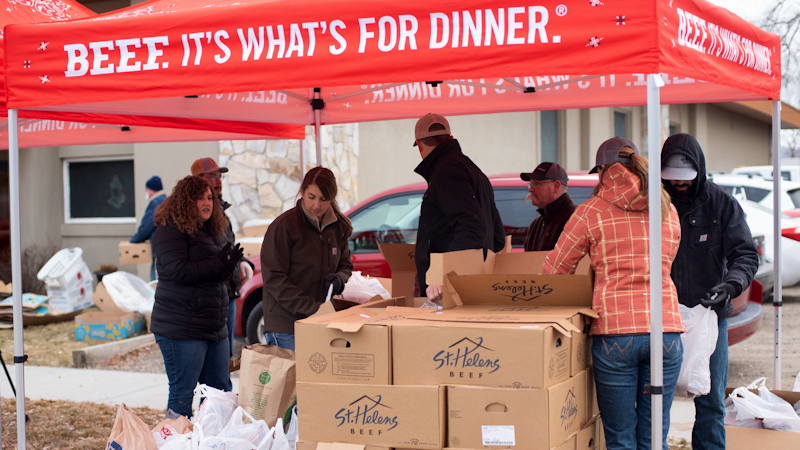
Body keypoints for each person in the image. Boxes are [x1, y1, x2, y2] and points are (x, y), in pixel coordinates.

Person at [543, 137, 685, 450]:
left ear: (603, 170)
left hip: (615, 332)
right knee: (655, 436)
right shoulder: (666, 208)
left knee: (621, 438)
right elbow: (669, 259)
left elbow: (555, 271)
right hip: (666, 330)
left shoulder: (591, 211)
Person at [661, 133, 758, 450]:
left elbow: (745, 254)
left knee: (712, 400)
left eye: (685, 179)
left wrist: (729, 286)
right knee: (656, 401)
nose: (679, 185)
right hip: (661, 318)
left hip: (709, 317)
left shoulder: (721, 203)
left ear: (699, 170)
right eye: (672, 179)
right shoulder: (655, 205)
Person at [151, 175, 243, 418]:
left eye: (210, 198)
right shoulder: (169, 228)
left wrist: (232, 266)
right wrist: (219, 264)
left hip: (213, 324)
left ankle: (213, 441)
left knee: (219, 393)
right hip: (181, 327)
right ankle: (176, 441)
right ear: (185, 201)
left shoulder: (214, 229)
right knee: (183, 394)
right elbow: (175, 270)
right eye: (200, 198)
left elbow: (219, 268)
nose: (207, 203)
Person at [412, 113, 505, 300]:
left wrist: (443, 274)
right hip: (469, 285)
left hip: (447, 291)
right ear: (451, 138)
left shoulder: (446, 172)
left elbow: (470, 225)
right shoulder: (473, 170)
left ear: (420, 145)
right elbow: (497, 237)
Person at [260, 167, 353, 351]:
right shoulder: (283, 226)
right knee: (292, 379)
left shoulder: (338, 227)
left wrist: (339, 279)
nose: (317, 205)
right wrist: (312, 308)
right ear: (302, 192)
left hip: (321, 321)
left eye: (324, 199)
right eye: (311, 197)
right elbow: (274, 278)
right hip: (286, 325)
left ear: (332, 198)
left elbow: (346, 266)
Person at [190, 157, 252, 363]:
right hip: (208, 299)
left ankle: (222, 395)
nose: (218, 181)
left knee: (225, 357)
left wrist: (243, 262)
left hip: (228, 294)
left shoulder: (222, 214)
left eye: (219, 176)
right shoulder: (193, 216)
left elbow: (229, 246)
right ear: (198, 180)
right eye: (212, 176)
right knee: (212, 361)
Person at [520, 162, 576, 251]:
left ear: (556, 186)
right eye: (530, 184)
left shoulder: (575, 220)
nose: (531, 189)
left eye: (537, 183)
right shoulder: (536, 224)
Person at [130, 175, 166, 280]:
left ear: (150, 190)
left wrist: (134, 240)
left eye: (146, 189)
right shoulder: (166, 200)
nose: (145, 192)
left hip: (159, 249)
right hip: (168, 249)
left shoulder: (155, 203)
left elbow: (146, 227)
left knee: (155, 282)